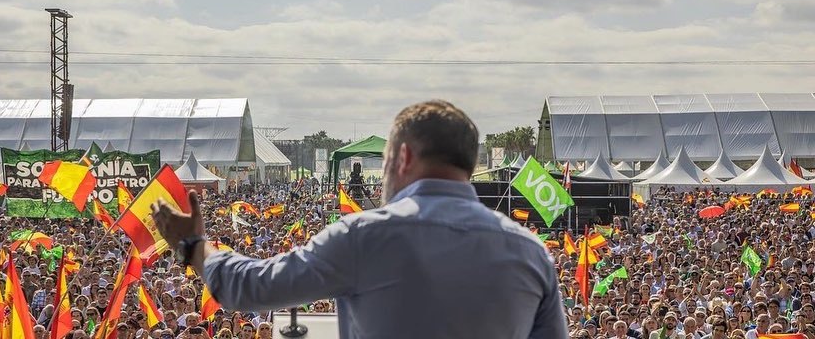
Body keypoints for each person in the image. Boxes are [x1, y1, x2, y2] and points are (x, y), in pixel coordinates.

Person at [152, 100, 567, 338]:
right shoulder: (531, 253)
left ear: (403, 157)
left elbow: (249, 287)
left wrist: (195, 247)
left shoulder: (363, 237)